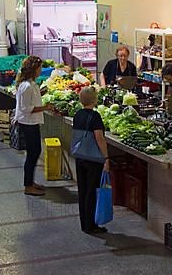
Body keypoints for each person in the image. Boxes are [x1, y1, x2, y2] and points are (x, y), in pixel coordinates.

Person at [73, 86, 110, 234]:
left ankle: (84, 222)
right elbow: (99, 138)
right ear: (94, 100)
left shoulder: (77, 114)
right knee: (92, 191)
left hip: (80, 155)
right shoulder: (95, 116)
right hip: (93, 158)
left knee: (82, 190)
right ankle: (91, 225)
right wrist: (106, 157)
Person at [14, 56, 52, 197]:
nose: (41, 70)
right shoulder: (26, 86)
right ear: (34, 69)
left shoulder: (31, 85)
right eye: (40, 68)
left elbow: (31, 99)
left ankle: (30, 182)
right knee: (32, 154)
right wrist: (45, 107)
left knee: (34, 152)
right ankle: (28, 186)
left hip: (32, 122)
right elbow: (26, 108)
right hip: (28, 123)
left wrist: (41, 93)